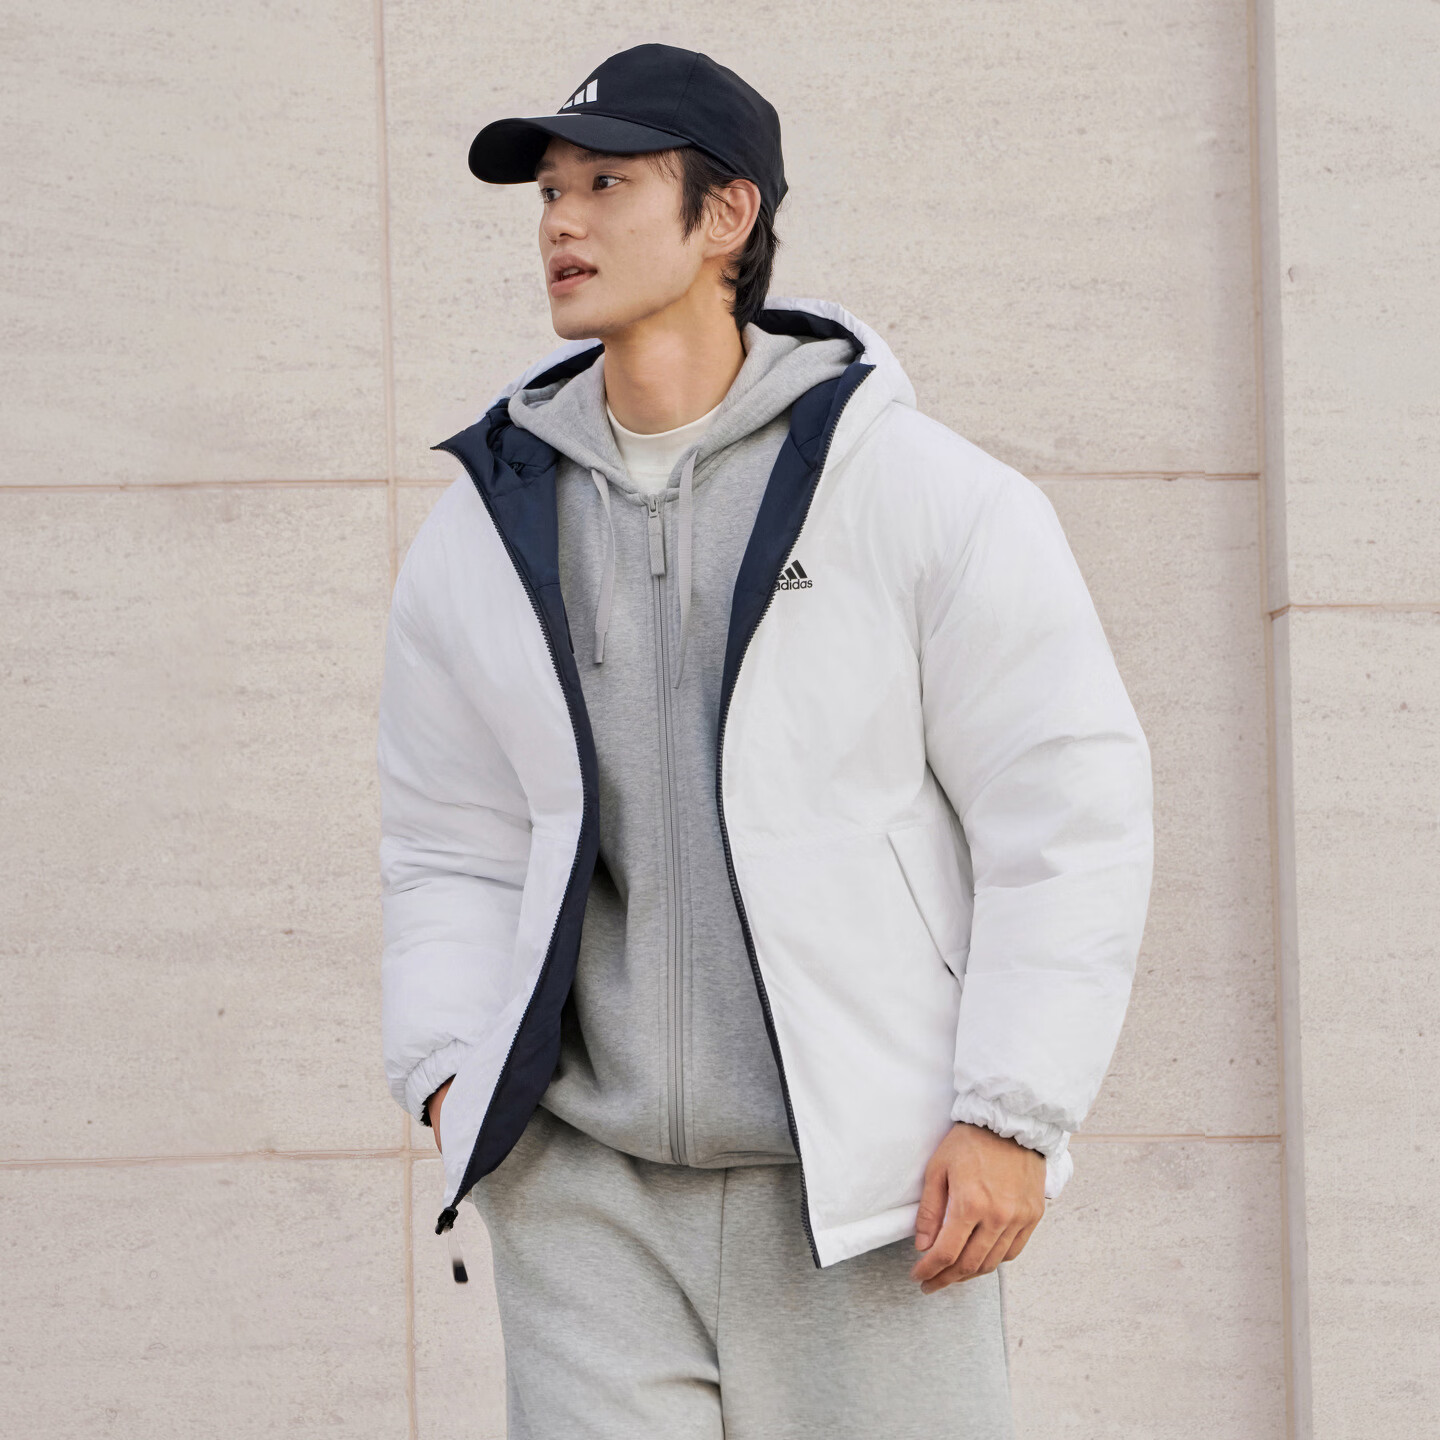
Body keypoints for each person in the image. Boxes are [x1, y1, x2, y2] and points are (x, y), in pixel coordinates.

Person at [378, 42, 1152, 1439]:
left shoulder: (918, 494)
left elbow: (1066, 812)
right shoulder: (487, 526)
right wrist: (449, 1074)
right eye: (549, 191)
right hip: (588, 1206)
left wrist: (1011, 1112)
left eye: (607, 184)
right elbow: (449, 840)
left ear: (726, 215)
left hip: (867, 1202)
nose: (561, 223)